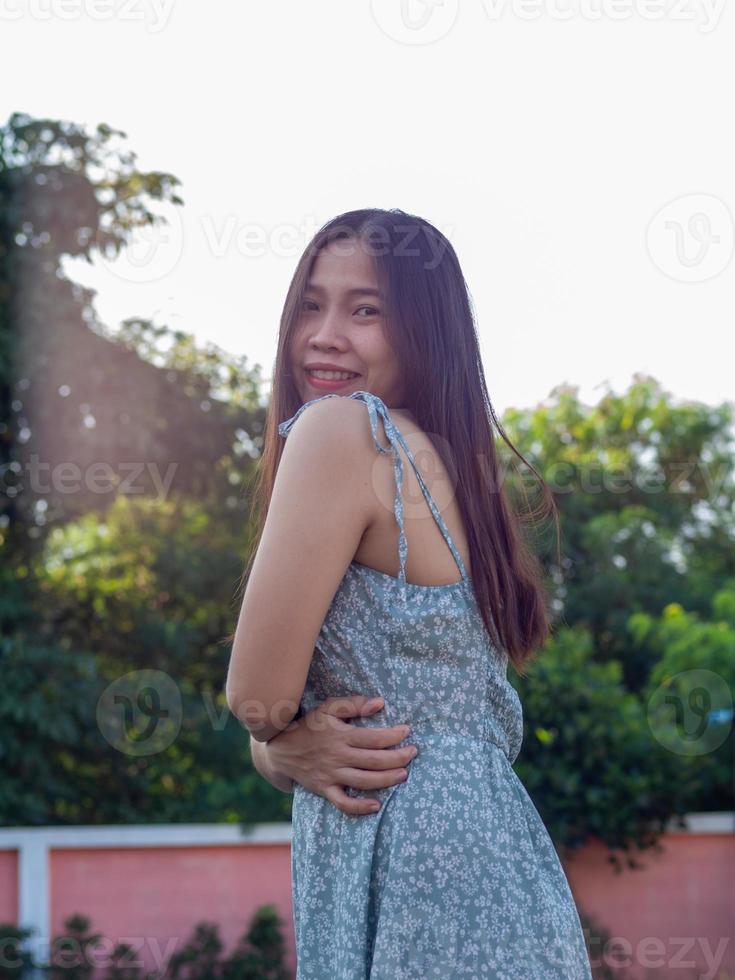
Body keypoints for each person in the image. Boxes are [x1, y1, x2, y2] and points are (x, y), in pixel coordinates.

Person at [225, 208, 593, 978]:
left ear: (425, 331)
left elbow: (257, 699)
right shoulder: (449, 466)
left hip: (414, 861)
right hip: (501, 865)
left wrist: (271, 743)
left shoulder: (337, 431)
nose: (325, 335)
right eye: (310, 306)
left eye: (366, 310)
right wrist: (288, 751)